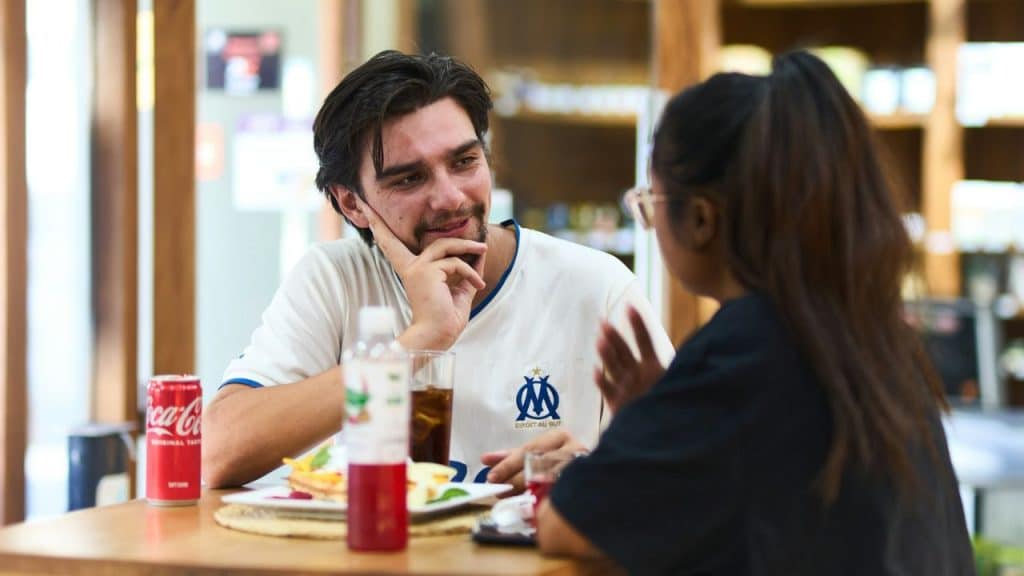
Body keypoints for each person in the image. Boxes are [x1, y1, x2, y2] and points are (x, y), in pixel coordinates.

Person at [536, 51, 975, 575]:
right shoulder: (859, 330)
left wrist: (636, 438)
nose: (652, 224)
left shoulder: (744, 350)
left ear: (700, 219)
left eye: (651, 203)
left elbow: (567, 528)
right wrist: (653, 426)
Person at [201, 50, 675, 488]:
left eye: (465, 161)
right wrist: (419, 341)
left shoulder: (597, 287)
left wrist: (593, 478)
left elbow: (687, 478)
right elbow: (215, 452)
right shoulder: (335, 278)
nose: (450, 197)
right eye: (409, 178)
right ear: (352, 204)